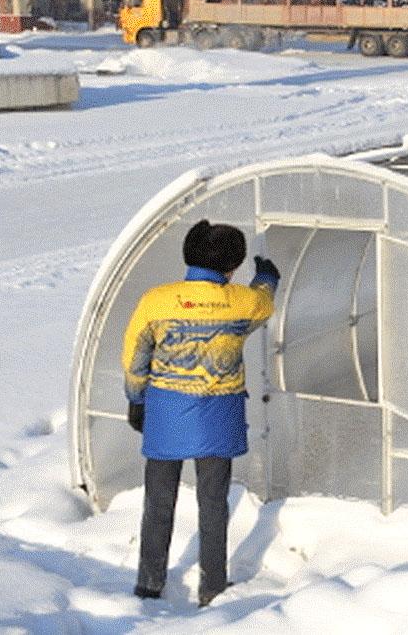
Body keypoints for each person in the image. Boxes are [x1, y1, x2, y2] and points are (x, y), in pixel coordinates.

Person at [121, 219, 280, 608]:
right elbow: (264, 301)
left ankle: (149, 583)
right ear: (232, 266)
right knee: (213, 503)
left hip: (166, 414)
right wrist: (267, 276)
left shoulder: (155, 300)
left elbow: (134, 356)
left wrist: (136, 400)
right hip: (218, 416)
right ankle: (213, 586)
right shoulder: (243, 302)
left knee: (158, 502)